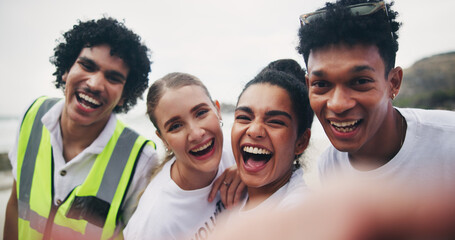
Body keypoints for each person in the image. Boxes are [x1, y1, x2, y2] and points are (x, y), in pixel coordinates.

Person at [4, 17, 158, 240]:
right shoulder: (31, 114)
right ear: (67, 69)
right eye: (87, 65)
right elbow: (15, 205)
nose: (94, 84)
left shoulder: (142, 159)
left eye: (113, 77)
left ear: (125, 96)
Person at [123, 72, 245, 240]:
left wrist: (250, 174)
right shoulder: (153, 224)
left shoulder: (239, 152)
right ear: (163, 139)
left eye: (201, 113)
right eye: (176, 126)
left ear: (217, 110)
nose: (195, 134)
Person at [229, 59, 313, 213]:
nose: (254, 130)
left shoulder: (298, 212)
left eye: (275, 122)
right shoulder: (226, 187)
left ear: (301, 142)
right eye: (244, 117)